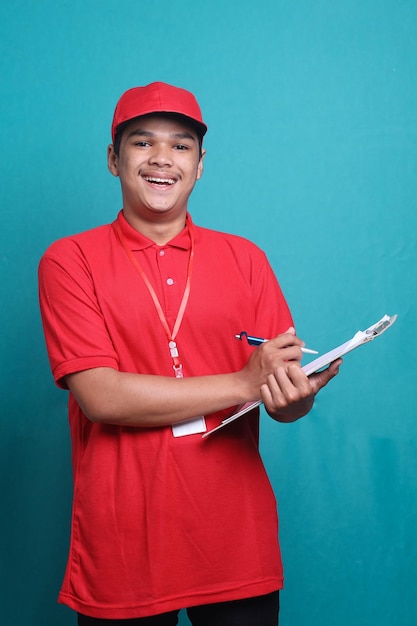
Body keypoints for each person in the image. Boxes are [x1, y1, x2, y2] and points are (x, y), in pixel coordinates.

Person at [38, 81, 341, 626]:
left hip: (233, 535)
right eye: (141, 142)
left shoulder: (246, 258)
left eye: (181, 146)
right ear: (113, 159)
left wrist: (297, 394)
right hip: (124, 538)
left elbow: (281, 397)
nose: (162, 159)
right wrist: (246, 382)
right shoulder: (69, 260)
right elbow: (100, 396)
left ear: (200, 165)